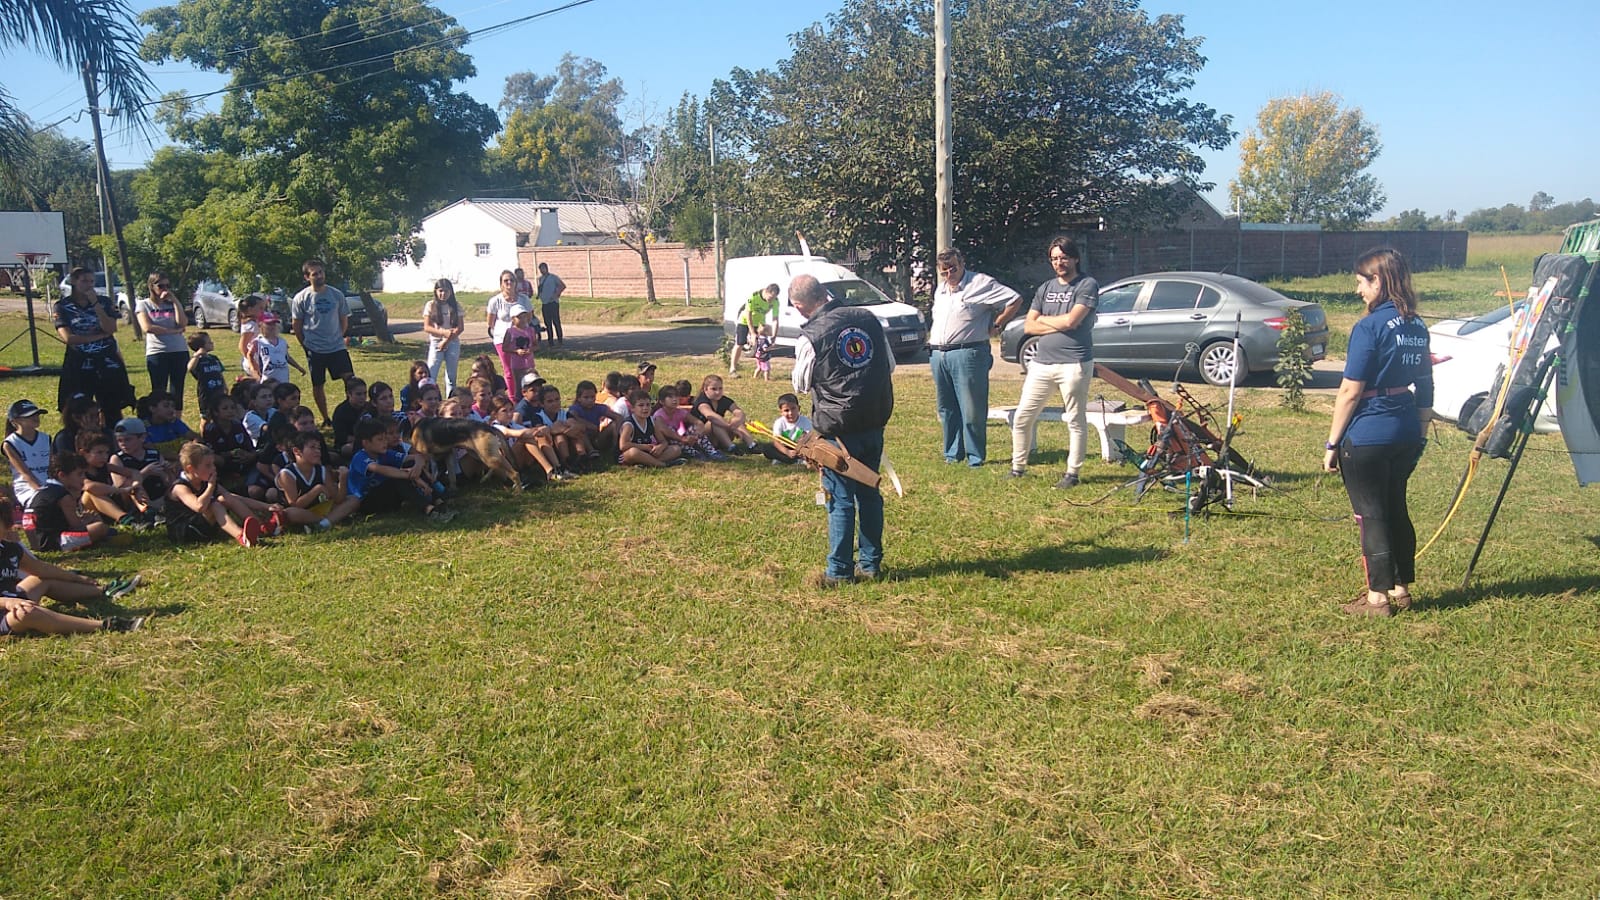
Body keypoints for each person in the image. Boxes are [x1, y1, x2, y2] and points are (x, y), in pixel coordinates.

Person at [1324, 247, 1434, 618]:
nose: (1358, 290)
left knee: (1371, 514)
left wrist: (1332, 443)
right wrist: (1420, 431)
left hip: (1369, 433)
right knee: (1395, 507)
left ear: (1379, 280)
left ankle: (1377, 599)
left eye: (1361, 282)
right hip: (1405, 429)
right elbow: (1426, 385)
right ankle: (1401, 589)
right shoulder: (1417, 326)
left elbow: (1350, 391)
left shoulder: (1368, 327)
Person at [790, 273, 895, 584]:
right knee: (869, 492)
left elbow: (800, 384)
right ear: (825, 292)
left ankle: (838, 572)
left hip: (838, 429)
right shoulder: (868, 318)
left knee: (840, 499)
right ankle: (871, 564)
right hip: (873, 419)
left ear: (799, 306)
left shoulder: (811, 336)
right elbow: (889, 365)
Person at [1009, 237, 1099, 487]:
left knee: (1075, 419)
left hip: (1074, 363)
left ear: (1075, 258)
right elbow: (1029, 326)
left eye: (1064, 258)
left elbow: (1072, 321)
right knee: (1023, 416)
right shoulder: (1045, 288)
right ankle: (1017, 468)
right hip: (1041, 363)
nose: (1059, 263)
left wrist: (1045, 320)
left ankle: (1072, 473)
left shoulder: (1087, 284)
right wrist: (1059, 322)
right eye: (1055, 259)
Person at [928, 248, 1021, 467]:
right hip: (939, 354)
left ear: (962, 263)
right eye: (944, 271)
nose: (949, 275)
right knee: (946, 408)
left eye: (953, 269)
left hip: (968, 353)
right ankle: (952, 454)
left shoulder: (980, 283)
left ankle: (975, 457)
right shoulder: (941, 289)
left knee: (972, 409)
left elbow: (1015, 299)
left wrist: (997, 324)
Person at [0, 494, 143, 635]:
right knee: (27, 613)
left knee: (39, 579)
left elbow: (41, 569)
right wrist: (7, 602)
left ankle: (105, 590)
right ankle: (107, 625)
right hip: (7, 609)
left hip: (14, 598)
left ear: (6, 525)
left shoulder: (10, 548)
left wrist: (76, 578)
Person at [54, 266, 133, 422]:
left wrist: (96, 304)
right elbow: (69, 338)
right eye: (84, 281)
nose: (89, 285)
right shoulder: (63, 305)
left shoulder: (104, 302)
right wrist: (99, 336)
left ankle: (111, 432)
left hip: (106, 360)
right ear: (74, 281)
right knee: (78, 406)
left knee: (112, 407)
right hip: (79, 361)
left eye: (91, 281)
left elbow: (110, 328)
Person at [166, 441, 279, 547]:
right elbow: (199, 507)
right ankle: (242, 536)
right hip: (185, 530)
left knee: (224, 498)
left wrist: (266, 506)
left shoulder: (204, 481)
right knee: (215, 504)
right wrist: (210, 487)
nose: (213, 468)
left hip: (205, 525)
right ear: (190, 469)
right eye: (208, 465)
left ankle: (261, 527)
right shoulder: (180, 488)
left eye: (213, 464)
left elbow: (232, 497)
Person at [290, 258, 352, 426]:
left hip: (337, 347)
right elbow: (297, 325)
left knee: (350, 379)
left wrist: (338, 336)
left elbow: (343, 319)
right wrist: (306, 345)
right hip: (315, 348)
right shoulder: (301, 298)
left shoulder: (336, 295)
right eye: (314, 274)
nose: (319, 276)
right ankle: (326, 418)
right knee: (318, 384)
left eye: (321, 272)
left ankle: (351, 411)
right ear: (307, 277)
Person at [137, 272, 190, 409]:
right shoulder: (144, 305)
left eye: (168, 286)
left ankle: (176, 418)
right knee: (159, 390)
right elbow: (147, 327)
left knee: (177, 389)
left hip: (178, 350)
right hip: (157, 351)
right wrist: (172, 331)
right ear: (151, 286)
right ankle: (159, 417)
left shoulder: (172, 304)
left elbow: (182, 323)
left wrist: (175, 301)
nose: (165, 289)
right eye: (161, 286)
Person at [6, 399, 55, 508]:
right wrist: (42, 491)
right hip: (27, 488)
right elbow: (25, 473)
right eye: (29, 416)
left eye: (37, 414)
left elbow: (51, 468)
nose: (35, 417)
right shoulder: (10, 443)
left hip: (49, 485)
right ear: (15, 421)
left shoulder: (46, 438)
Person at [617, 389, 684, 468]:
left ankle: (647, 464)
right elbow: (623, 446)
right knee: (634, 452)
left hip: (648, 453)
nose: (645, 408)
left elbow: (663, 441)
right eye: (641, 405)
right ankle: (663, 464)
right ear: (632, 408)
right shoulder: (629, 424)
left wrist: (660, 447)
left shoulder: (651, 421)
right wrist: (644, 446)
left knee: (676, 449)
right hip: (630, 454)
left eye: (648, 405)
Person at [422, 278, 465, 395]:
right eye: (440, 291)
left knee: (451, 376)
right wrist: (443, 333)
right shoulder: (430, 305)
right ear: (436, 291)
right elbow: (427, 327)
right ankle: (429, 397)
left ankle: (451, 398)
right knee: (432, 372)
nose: (443, 294)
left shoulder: (456, 306)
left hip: (452, 342)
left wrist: (447, 340)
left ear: (450, 292)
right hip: (436, 342)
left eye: (446, 291)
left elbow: (460, 327)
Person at [486, 270, 527, 378]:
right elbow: (490, 322)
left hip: (521, 339)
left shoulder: (523, 299)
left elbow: (529, 317)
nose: (509, 282)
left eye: (512, 280)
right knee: (509, 370)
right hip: (502, 340)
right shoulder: (495, 301)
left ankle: (522, 389)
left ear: (516, 282)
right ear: (501, 284)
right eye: (506, 280)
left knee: (523, 369)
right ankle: (511, 390)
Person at [731, 283, 777, 378]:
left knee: (761, 346)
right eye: (770, 298)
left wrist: (774, 336)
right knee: (740, 343)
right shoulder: (753, 297)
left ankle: (760, 368)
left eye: (773, 298)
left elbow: (775, 319)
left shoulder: (775, 301)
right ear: (766, 292)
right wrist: (752, 333)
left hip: (759, 323)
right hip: (745, 321)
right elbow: (748, 314)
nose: (771, 301)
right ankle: (733, 369)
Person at [250, 313, 306, 386]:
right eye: (268, 324)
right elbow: (250, 355)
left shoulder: (282, 342)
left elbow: (287, 357)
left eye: (274, 324)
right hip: (267, 379)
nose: (272, 327)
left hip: (283, 379)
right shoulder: (258, 342)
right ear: (261, 325)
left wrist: (298, 367)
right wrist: (254, 370)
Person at [762, 392, 813, 464]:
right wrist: (787, 452)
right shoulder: (779, 422)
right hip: (785, 448)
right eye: (786, 410)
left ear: (799, 408)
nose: (790, 413)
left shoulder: (806, 421)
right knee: (767, 448)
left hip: (801, 448)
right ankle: (789, 459)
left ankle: (791, 459)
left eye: (793, 408)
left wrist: (800, 450)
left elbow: (809, 439)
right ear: (781, 412)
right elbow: (776, 442)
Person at [500, 304, 540, 390]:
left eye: (524, 317)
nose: (522, 320)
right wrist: (516, 351)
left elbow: (536, 345)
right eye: (519, 317)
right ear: (513, 319)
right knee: (519, 386)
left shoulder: (530, 330)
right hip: (517, 364)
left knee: (530, 384)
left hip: (529, 363)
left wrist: (531, 349)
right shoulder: (510, 331)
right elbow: (504, 347)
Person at [187, 332, 228, 408]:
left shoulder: (214, 358)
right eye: (209, 342)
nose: (212, 343)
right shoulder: (197, 360)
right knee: (207, 412)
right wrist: (197, 355)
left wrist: (224, 385)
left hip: (219, 390)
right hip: (207, 393)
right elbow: (190, 367)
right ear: (201, 346)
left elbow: (220, 373)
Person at [235, 293, 268, 381]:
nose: (263, 311)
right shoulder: (250, 325)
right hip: (253, 361)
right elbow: (242, 346)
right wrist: (252, 363)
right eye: (260, 308)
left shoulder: (255, 323)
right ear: (250, 309)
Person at [536, 262, 566, 345]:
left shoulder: (553, 277)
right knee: (547, 323)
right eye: (540, 269)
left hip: (553, 302)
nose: (542, 270)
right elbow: (540, 289)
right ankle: (550, 341)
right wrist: (539, 295)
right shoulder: (540, 279)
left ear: (546, 268)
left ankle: (560, 340)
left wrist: (556, 294)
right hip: (545, 303)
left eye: (543, 268)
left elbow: (562, 286)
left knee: (556, 322)